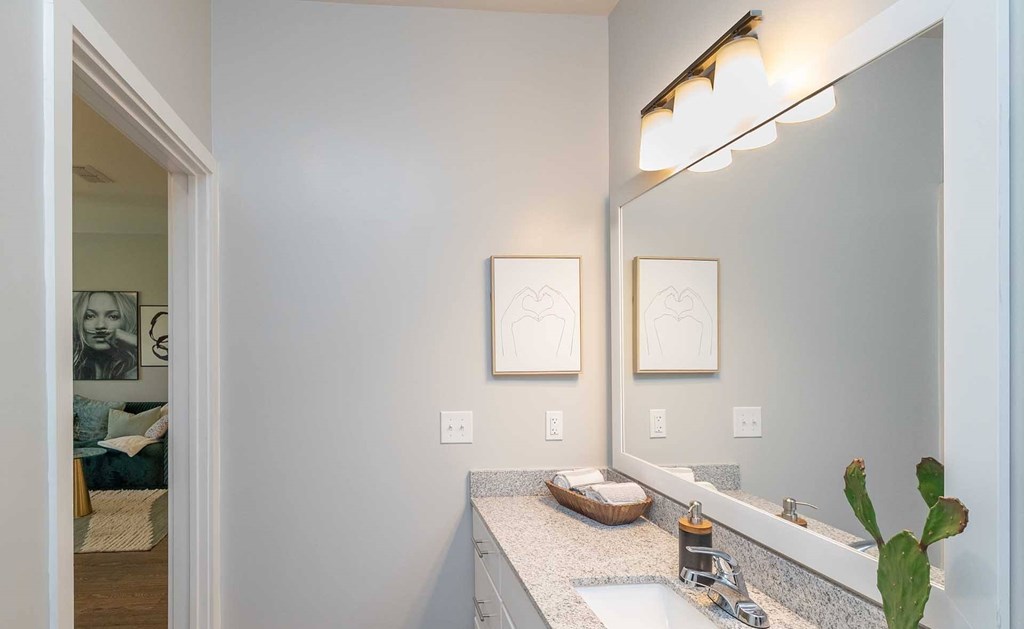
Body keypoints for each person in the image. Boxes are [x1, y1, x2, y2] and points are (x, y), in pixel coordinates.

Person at [72, 291, 138, 380]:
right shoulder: (69, 369)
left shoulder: (134, 371)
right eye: (90, 316)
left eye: (113, 316)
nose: (100, 326)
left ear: (127, 321)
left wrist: (136, 342)